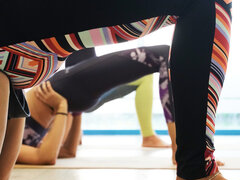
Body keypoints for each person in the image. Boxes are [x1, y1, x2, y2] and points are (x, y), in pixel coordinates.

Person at [0, 0, 239, 180]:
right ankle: (195, 173)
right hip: (31, 51)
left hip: (31, 53)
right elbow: (45, 158)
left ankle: (192, 167)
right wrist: (60, 109)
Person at [17, 44, 175, 164]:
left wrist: (74, 111)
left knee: (78, 34)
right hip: (65, 91)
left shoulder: (8, 142)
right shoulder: (6, 149)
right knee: (161, 55)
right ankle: (179, 148)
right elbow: (47, 158)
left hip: (70, 96)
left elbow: (68, 152)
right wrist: (62, 108)